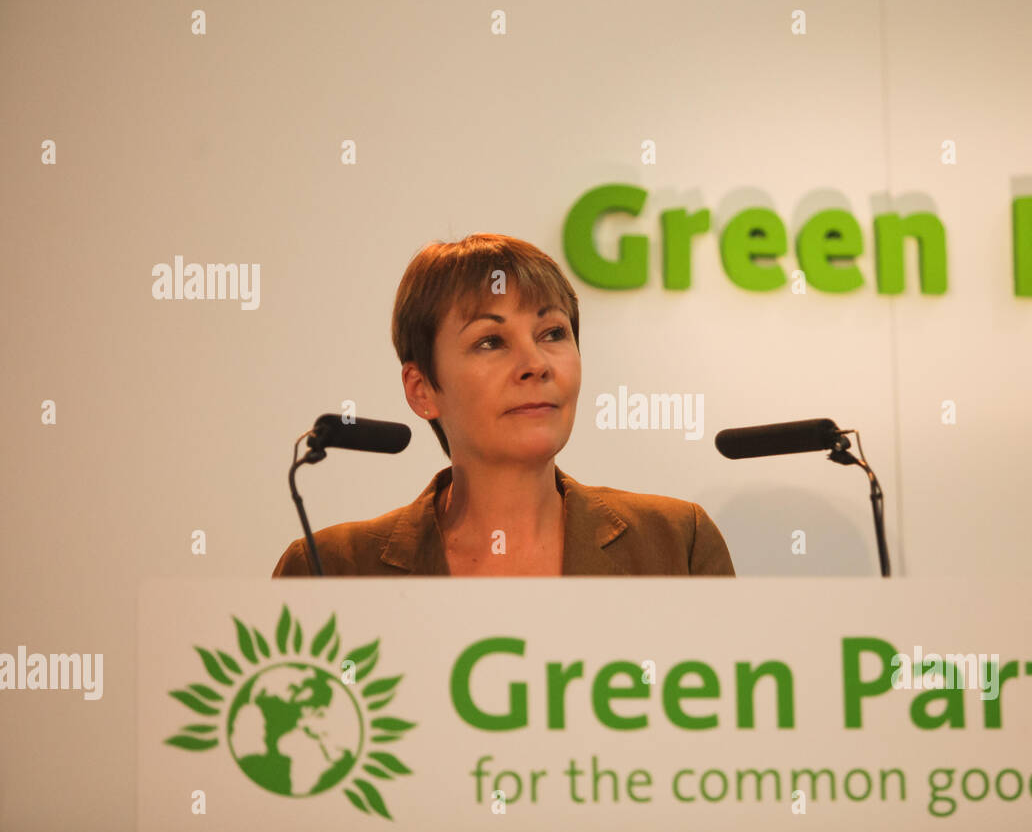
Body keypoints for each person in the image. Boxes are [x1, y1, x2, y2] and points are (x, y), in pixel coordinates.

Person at [272, 233, 735, 577]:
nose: (535, 365)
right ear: (422, 389)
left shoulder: (675, 542)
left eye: (553, 333)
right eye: (491, 341)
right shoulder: (328, 567)